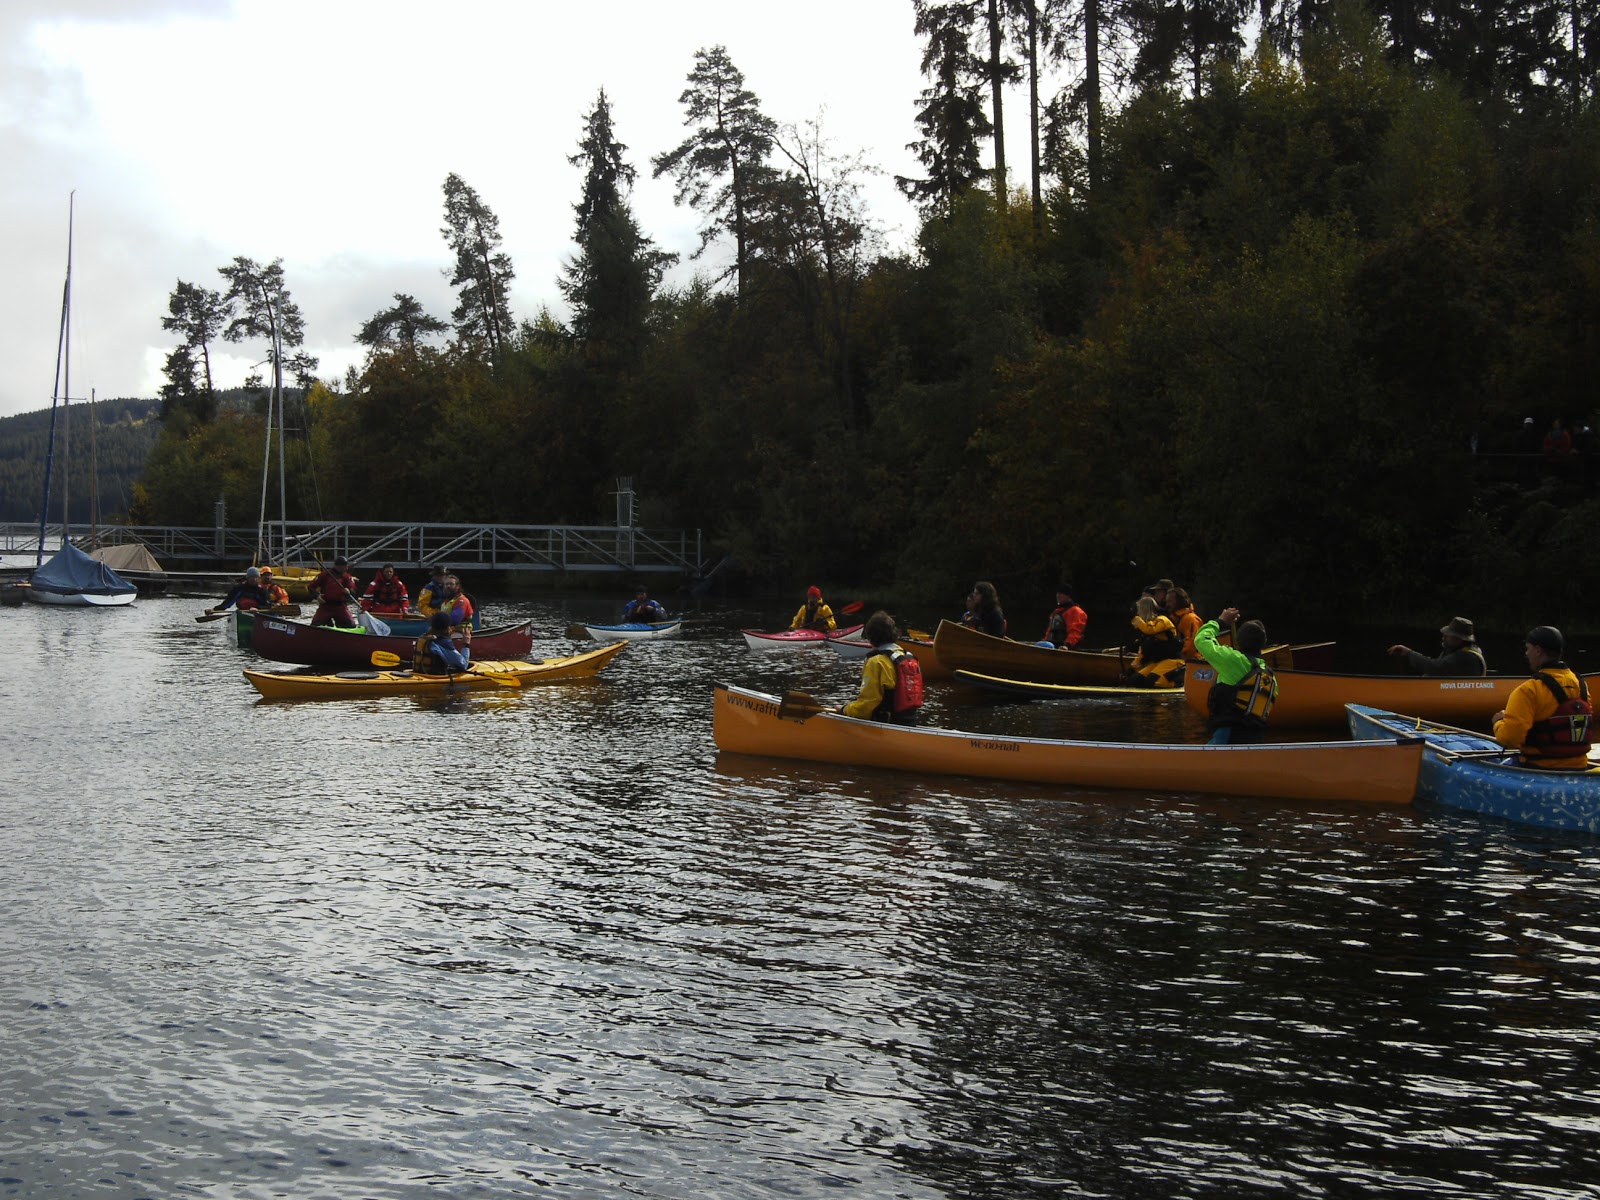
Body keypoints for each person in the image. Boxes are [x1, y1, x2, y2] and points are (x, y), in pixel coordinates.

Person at [1492, 626, 1594, 770]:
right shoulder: (1581, 685)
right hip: (1579, 767)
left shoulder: (1528, 690)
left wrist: (1499, 723)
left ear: (1538, 650)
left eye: (1528, 648)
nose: (1526, 653)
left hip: (1539, 767)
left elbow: (1510, 739)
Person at [1195, 607, 1277, 744]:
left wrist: (1220, 621)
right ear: (1263, 644)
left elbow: (1201, 640)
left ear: (1238, 642)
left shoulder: (1234, 660)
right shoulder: (1270, 675)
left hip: (1228, 735)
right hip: (1256, 738)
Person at [840, 610, 924, 725]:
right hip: (910, 723)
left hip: (887, 725)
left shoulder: (876, 662)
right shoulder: (909, 657)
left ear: (871, 637)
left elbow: (866, 705)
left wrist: (844, 709)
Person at [1387, 617, 1487, 677]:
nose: (1443, 637)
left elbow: (1433, 667)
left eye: (1447, 635)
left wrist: (1409, 653)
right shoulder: (1458, 651)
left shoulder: (1466, 656)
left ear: (1459, 639)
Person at [1126, 594, 1184, 687]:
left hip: (1173, 661)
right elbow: (1142, 653)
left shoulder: (1162, 620)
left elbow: (1150, 630)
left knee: (1153, 682)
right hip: (1159, 662)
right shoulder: (1147, 629)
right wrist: (1131, 670)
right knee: (1135, 681)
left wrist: (1135, 618)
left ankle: (1178, 683)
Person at [307, 556, 360, 628]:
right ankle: (327, 624)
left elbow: (354, 590)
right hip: (326, 606)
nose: (347, 568)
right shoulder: (325, 575)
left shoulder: (347, 577)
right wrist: (317, 596)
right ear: (339, 566)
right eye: (345, 566)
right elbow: (311, 587)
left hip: (340, 607)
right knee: (315, 626)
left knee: (351, 625)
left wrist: (349, 591)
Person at [1041, 585, 1087, 649]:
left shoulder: (1075, 611)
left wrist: (1067, 645)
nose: (1058, 596)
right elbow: (1049, 631)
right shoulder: (1056, 611)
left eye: (1061, 594)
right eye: (1057, 593)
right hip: (1053, 646)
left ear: (1069, 596)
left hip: (1066, 648)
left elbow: (1075, 632)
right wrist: (1045, 641)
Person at [1167, 587, 1204, 661]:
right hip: (1182, 660)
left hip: (1194, 661)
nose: (1167, 604)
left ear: (1179, 601)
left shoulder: (1190, 619)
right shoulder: (1176, 618)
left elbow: (1192, 644)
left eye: (1170, 601)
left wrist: (1178, 655)